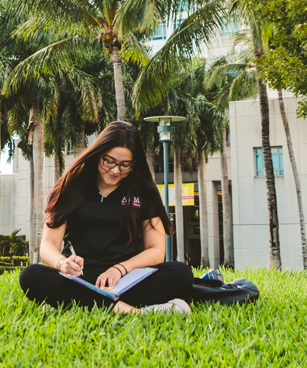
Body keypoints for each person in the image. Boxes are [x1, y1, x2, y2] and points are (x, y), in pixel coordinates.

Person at [20, 121, 193, 314]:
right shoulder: (71, 186)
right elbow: (48, 245)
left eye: (125, 165)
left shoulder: (143, 191)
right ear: (97, 154)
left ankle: (78, 302)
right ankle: (132, 311)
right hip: (81, 278)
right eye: (109, 161)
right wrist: (62, 263)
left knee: (181, 274)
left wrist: (119, 269)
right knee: (30, 275)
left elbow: (156, 251)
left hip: (126, 280)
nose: (115, 170)